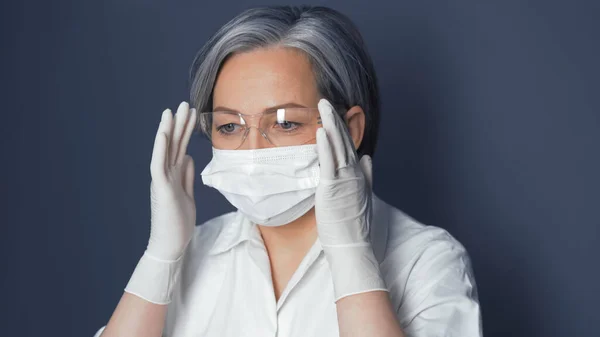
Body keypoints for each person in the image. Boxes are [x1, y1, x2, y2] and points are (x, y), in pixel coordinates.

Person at [95, 5, 481, 337]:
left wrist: (350, 255)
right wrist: (160, 257)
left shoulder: (426, 262)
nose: (253, 150)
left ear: (350, 129)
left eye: (285, 123)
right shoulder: (189, 257)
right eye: (229, 126)